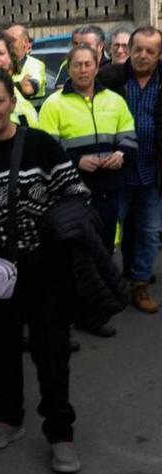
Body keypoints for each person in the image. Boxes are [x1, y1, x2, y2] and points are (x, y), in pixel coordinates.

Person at [0, 66, 90, 474]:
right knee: (0, 350)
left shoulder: (41, 145)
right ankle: (8, 417)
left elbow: (75, 193)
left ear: (13, 102)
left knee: (51, 354)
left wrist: (48, 226)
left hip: (45, 271)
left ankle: (60, 433)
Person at [39, 45, 137, 338]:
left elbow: (129, 137)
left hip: (108, 189)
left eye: (87, 64)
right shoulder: (53, 104)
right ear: (68, 69)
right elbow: (47, 151)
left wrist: (121, 154)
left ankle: (93, 315)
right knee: (73, 257)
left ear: (97, 66)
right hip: (72, 193)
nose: (82, 70)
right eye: (77, 65)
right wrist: (77, 161)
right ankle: (69, 316)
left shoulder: (115, 100)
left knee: (102, 250)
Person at [98, 26, 162, 313]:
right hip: (116, 171)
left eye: (150, 51)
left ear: (159, 54)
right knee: (109, 229)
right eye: (138, 49)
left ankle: (139, 284)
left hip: (152, 171)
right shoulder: (110, 78)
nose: (143, 55)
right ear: (128, 49)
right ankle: (103, 285)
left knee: (149, 231)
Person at [4, 24, 47, 101]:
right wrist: (19, 85)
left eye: (12, 40)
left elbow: (28, 89)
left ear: (25, 42)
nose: (8, 44)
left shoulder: (34, 65)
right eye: (5, 40)